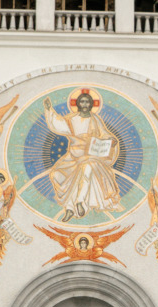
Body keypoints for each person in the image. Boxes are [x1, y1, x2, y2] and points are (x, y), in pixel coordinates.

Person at [43, 91, 121, 222]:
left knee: (86, 169)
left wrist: (111, 140)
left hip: (90, 155)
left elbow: (104, 134)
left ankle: (77, 203)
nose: (85, 104)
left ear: (91, 104)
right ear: (78, 104)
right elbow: (58, 124)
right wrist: (49, 109)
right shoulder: (71, 119)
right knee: (57, 174)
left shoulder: (95, 119)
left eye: (87, 102)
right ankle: (70, 208)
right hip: (73, 156)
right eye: (82, 102)